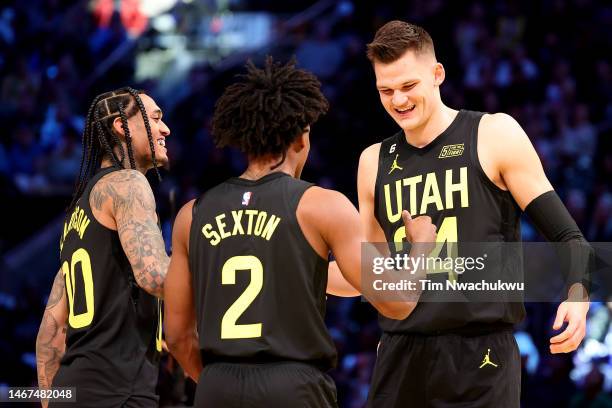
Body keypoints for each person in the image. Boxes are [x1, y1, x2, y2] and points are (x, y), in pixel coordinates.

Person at [163, 57, 436, 408]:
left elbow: (176, 335)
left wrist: (217, 384)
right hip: (291, 385)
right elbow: (398, 301)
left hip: (218, 384)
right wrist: (422, 247)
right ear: (300, 137)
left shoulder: (191, 215)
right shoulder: (320, 206)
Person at [354, 21, 592, 407]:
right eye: (386, 90)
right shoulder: (372, 161)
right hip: (400, 353)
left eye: (408, 86)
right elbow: (367, 271)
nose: (398, 101)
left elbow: (569, 237)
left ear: (437, 74)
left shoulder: (494, 134)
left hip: (480, 353)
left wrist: (579, 292)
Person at [35, 87, 171, 407]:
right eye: (155, 119)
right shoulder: (128, 184)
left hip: (73, 391)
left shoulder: (76, 218)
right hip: (117, 390)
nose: (166, 129)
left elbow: (50, 333)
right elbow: (155, 277)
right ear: (122, 127)